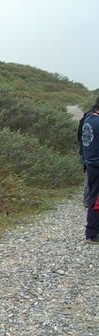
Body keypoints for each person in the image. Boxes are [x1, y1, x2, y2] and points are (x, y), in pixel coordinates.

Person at [80, 97, 99, 244]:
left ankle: (92, 232)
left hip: (91, 163)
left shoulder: (89, 119)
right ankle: (92, 234)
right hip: (96, 164)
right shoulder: (96, 122)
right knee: (95, 200)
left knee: (94, 197)